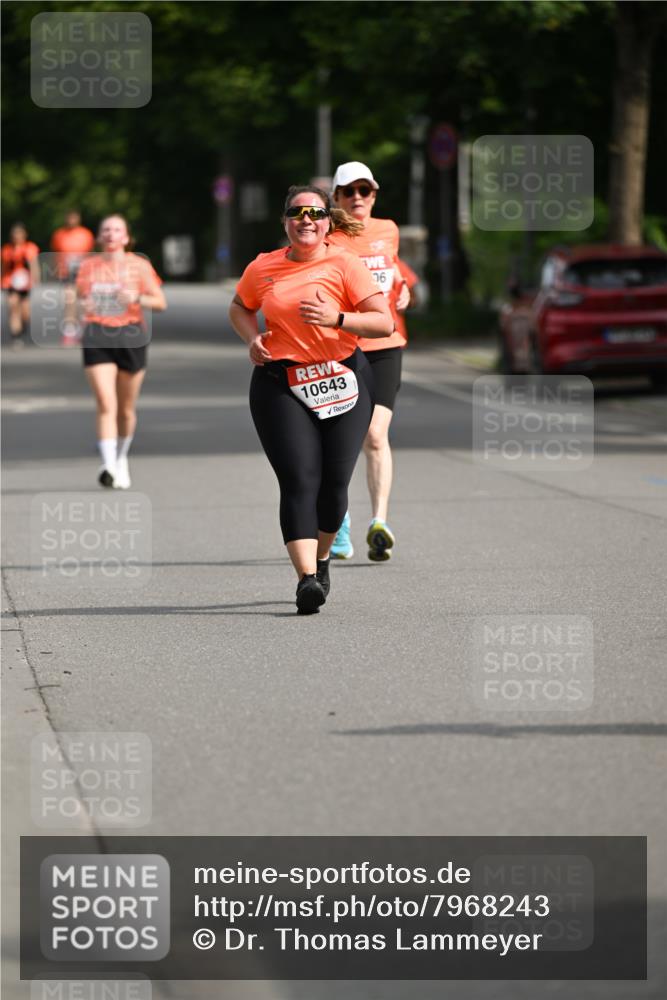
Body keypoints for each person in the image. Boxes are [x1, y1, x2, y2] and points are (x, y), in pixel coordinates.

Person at [229, 185, 393, 614]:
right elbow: (239, 307)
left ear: (327, 222)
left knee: (334, 485)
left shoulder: (345, 263)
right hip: (280, 383)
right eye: (297, 212)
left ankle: (322, 560)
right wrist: (252, 339)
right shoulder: (263, 267)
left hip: (344, 378)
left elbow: (383, 322)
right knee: (300, 478)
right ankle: (306, 580)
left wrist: (338, 318)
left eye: (315, 213)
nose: (306, 219)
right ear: (285, 222)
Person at [327, 161, 411, 562]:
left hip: (387, 344)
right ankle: (335, 519)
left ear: (374, 195)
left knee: (376, 436)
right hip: (342, 347)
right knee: (341, 439)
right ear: (337, 198)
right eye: (350, 191)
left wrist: (405, 286)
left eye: (366, 191)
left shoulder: (389, 230)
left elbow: (394, 269)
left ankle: (379, 522)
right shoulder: (328, 237)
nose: (358, 198)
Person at [75, 214, 166, 489]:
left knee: (125, 409)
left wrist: (137, 297)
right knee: (106, 402)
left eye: (117, 230)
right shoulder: (88, 267)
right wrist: (81, 310)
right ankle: (108, 465)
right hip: (97, 334)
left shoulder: (139, 265)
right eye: (106, 230)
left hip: (130, 336)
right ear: (100, 237)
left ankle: (121, 457)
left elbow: (160, 302)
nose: (111, 234)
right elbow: (78, 300)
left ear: (126, 238)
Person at [50, 210, 95, 345]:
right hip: (66, 271)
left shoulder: (86, 234)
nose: (71, 220)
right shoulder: (59, 234)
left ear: (78, 219)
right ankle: (69, 331)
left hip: (83, 271)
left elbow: (91, 253)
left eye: (74, 218)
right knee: (70, 299)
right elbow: (55, 254)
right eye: (69, 218)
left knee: (83, 300)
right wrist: (56, 270)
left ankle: (82, 329)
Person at [1, 223, 40, 348]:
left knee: (25, 311)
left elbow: (34, 265)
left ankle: (24, 329)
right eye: (14, 234)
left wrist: (36, 280)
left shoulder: (30, 248)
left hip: (25, 283)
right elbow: (4, 267)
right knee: (13, 306)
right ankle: (15, 336)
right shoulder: (6, 249)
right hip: (10, 282)